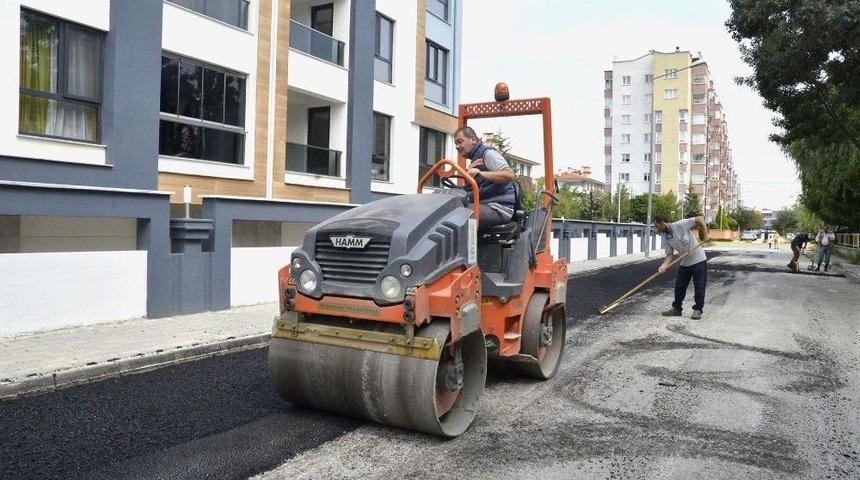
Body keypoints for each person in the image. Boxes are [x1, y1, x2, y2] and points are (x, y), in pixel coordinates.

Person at [453, 126, 516, 229]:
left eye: (460, 141)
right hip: (484, 204)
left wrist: (481, 173)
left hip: (499, 207)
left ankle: (466, 240)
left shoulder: (488, 154)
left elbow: (509, 175)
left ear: (473, 139)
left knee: (460, 213)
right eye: (455, 143)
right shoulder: (475, 160)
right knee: (450, 207)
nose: (457, 146)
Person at [655, 215, 710, 319]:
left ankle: (698, 310)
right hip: (685, 263)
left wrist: (706, 233)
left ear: (662, 223)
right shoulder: (666, 237)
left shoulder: (680, 225)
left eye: (657, 226)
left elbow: (700, 218)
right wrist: (663, 266)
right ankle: (677, 309)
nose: (656, 229)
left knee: (699, 286)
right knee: (679, 287)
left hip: (698, 260)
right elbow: (669, 254)